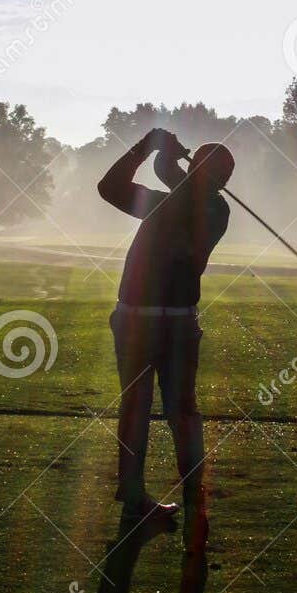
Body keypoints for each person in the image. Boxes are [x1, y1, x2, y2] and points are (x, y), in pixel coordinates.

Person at [97, 127, 233, 550]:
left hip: (168, 319)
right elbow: (113, 187)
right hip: (143, 317)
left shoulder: (211, 210)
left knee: (180, 410)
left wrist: (158, 153)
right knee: (141, 407)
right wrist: (154, 152)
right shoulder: (184, 201)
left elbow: (124, 187)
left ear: (213, 179)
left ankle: (191, 497)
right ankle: (136, 496)